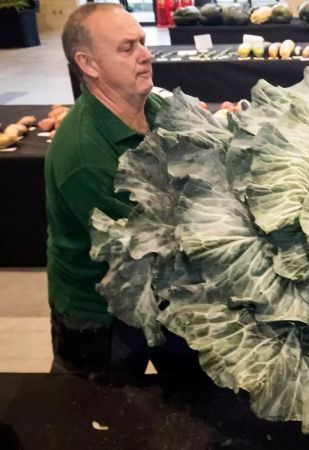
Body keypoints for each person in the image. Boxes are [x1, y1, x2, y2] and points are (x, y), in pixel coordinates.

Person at [46, 3, 197, 375]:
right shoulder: (85, 154)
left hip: (166, 288)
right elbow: (151, 247)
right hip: (98, 313)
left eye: (143, 43)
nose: (146, 55)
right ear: (89, 64)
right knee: (98, 414)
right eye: (127, 48)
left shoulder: (156, 108)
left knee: (191, 396)